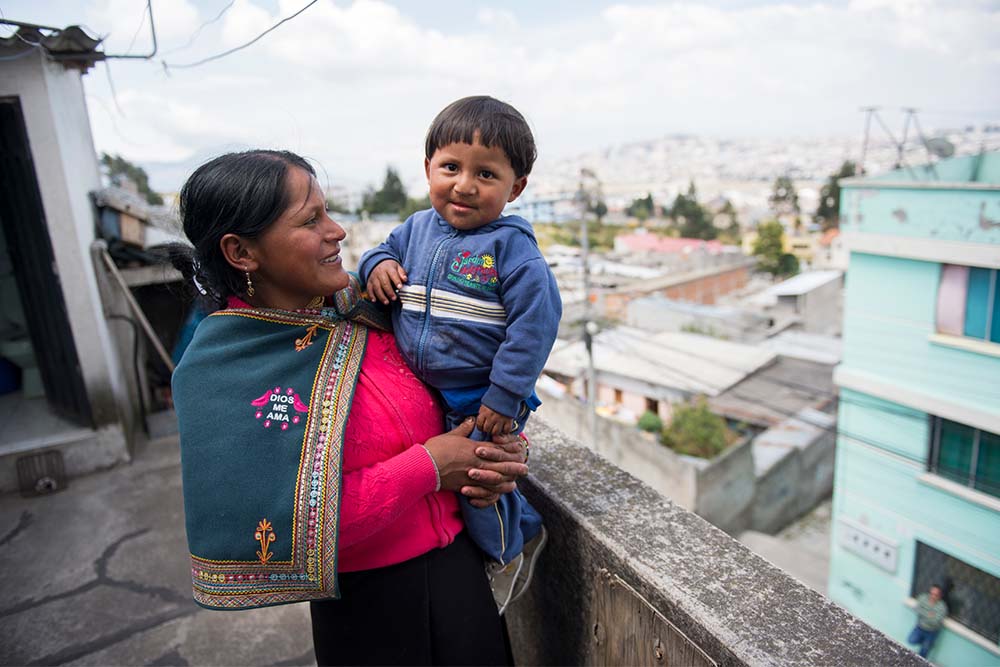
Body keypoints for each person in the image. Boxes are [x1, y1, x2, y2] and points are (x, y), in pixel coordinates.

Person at [170, 149, 530, 666]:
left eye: (328, 211)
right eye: (310, 220)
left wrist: (494, 454)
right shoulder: (223, 375)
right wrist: (429, 467)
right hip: (371, 610)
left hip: (460, 575)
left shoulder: (369, 315)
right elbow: (288, 524)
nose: (337, 231)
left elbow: (462, 395)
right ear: (241, 252)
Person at [358, 96, 561, 569]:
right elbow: (379, 250)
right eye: (451, 167)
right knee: (443, 481)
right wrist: (379, 264)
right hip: (425, 388)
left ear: (516, 188)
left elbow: (535, 325)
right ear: (428, 168)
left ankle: (509, 543)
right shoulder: (415, 229)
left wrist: (504, 395)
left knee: (479, 484)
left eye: (486, 174)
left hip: (480, 398)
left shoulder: (512, 249)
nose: (464, 185)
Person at [907, 584, 948, 658]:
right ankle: (925, 642)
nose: (932, 596)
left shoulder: (942, 607)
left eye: (935, 595)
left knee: (924, 652)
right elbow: (916, 609)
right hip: (920, 627)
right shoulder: (923, 598)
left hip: (931, 632)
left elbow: (936, 621)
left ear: (940, 596)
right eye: (931, 593)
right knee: (911, 640)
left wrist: (923, 613)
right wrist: (929, 615)